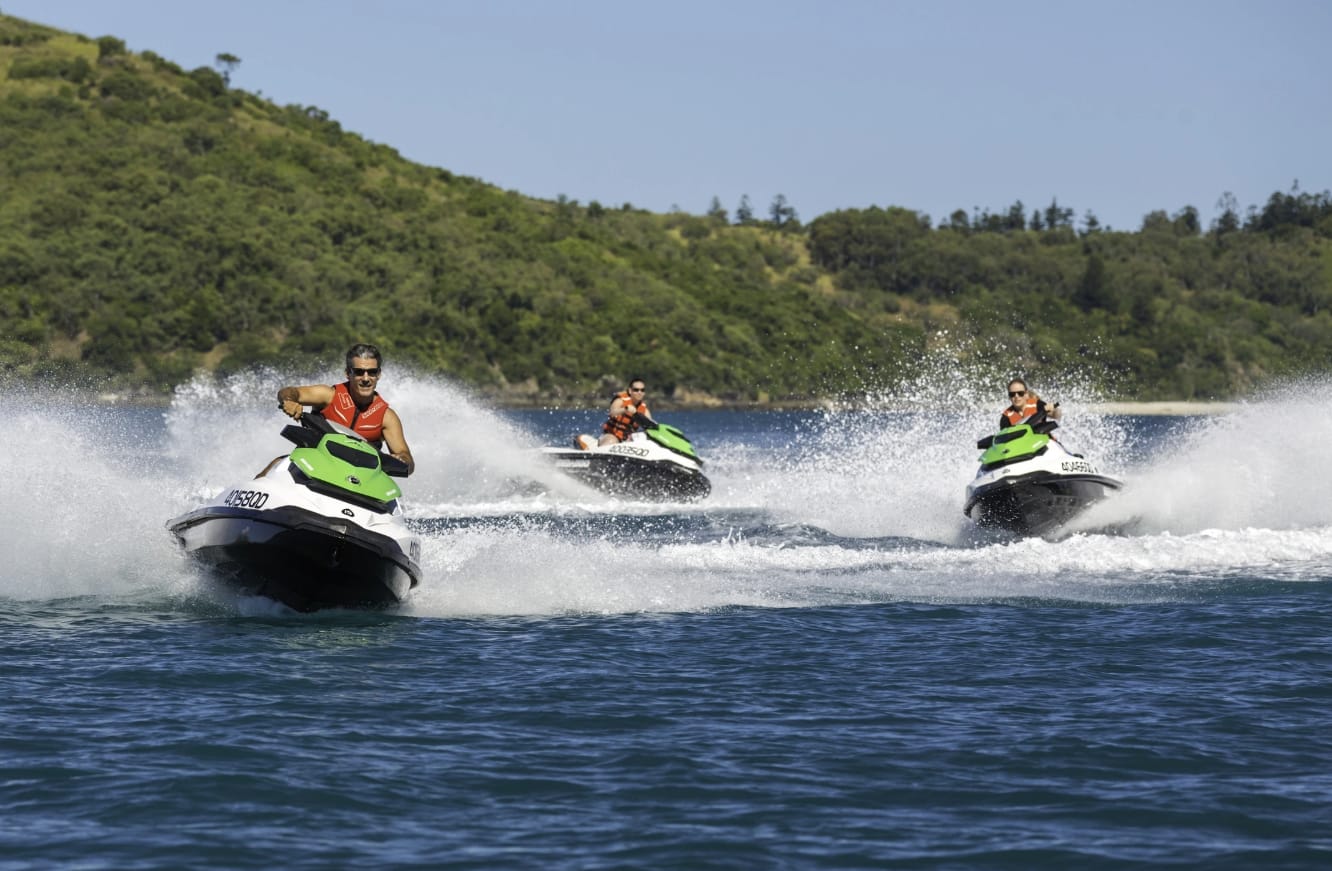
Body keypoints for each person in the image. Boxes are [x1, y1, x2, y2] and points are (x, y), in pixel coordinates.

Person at [275, 343, 415, 475]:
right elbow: (291, 392)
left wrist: (402, 459)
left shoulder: (387, 417)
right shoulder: (328, 395)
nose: (366, 378)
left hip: (357, 481)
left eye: (372, 372)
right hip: (311, 467)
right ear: (348, 373)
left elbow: (407, 461)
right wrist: (289, 401)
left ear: (378, 375)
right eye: (359, 372)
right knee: (277, 464)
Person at [598, 378, 657, 446]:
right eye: (636, 390)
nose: (639, 392)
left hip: (627, 440)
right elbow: (612, 412)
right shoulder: (621, 400)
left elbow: (650, 426)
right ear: (630, 391)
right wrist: (625, 410)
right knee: (611, 441)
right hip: (611, 435)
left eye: (642, 390)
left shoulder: (645, 410)